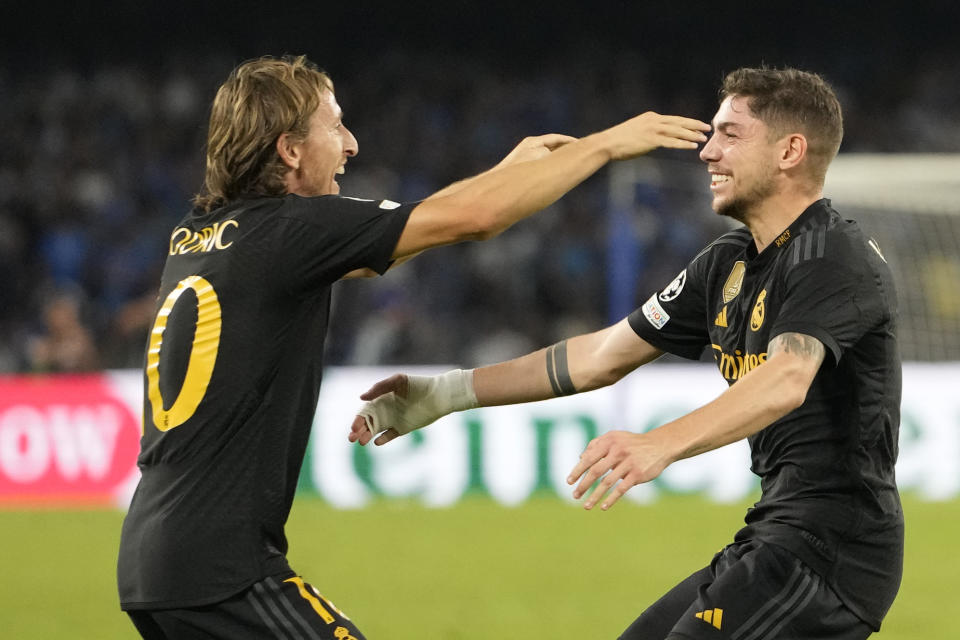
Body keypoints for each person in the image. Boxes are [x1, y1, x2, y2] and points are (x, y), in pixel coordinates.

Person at [115, 54, 710, 640]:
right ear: (290, 150)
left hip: (154, 555)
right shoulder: (294, 229)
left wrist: (506, 172)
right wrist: (603, 145)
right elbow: (473, 218)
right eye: (334, 126)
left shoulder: (202, 236)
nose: (350, 145)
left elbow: (410, 232)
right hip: (220, 569)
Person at [351, 67, 902, 640]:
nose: (708, 152)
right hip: (776, 538)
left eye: (730, 135)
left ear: (791, 151)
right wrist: (444, 393)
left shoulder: (832, 254)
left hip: (833, 555)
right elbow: (600, 356)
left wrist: (658, 443)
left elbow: (787, 378)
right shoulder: (730, 261)